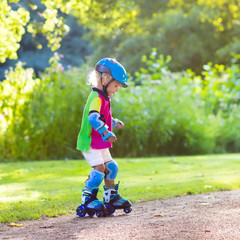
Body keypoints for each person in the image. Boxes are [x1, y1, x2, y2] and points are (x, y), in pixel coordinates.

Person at [76, 58, 132, 217]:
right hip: (90, 141)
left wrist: (112, 122)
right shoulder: (95, 97)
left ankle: (110, 196)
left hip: (100, 142)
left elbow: (102, 116)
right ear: (105, 79)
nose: (117, 89)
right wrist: (106, 132)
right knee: (100, 169)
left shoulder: (105, 98)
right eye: (116, 85)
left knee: (112, 167)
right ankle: (87, 198)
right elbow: (93, 119)